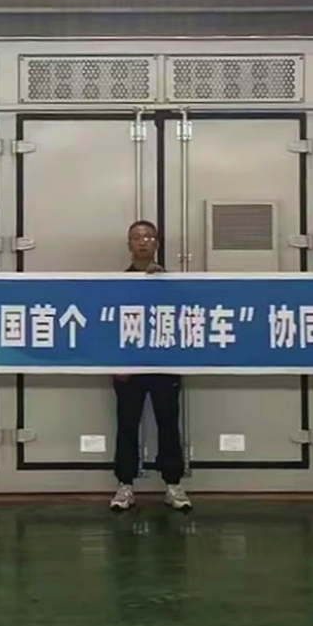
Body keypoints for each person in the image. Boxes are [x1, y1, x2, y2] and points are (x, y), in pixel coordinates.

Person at [109, 220, 192, 513]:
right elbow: (110, 325)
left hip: (163, 365)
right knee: (127, 424)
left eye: (148, 237)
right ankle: (125, 485)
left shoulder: (170, 282)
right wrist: (116, 364)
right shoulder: (117, 284)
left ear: (156, 244)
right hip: (130, 367)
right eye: (137, 237)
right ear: (129, 245)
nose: (143, 241)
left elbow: (183, 319)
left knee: (168, 423)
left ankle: (173, 485)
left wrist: (163, 283)